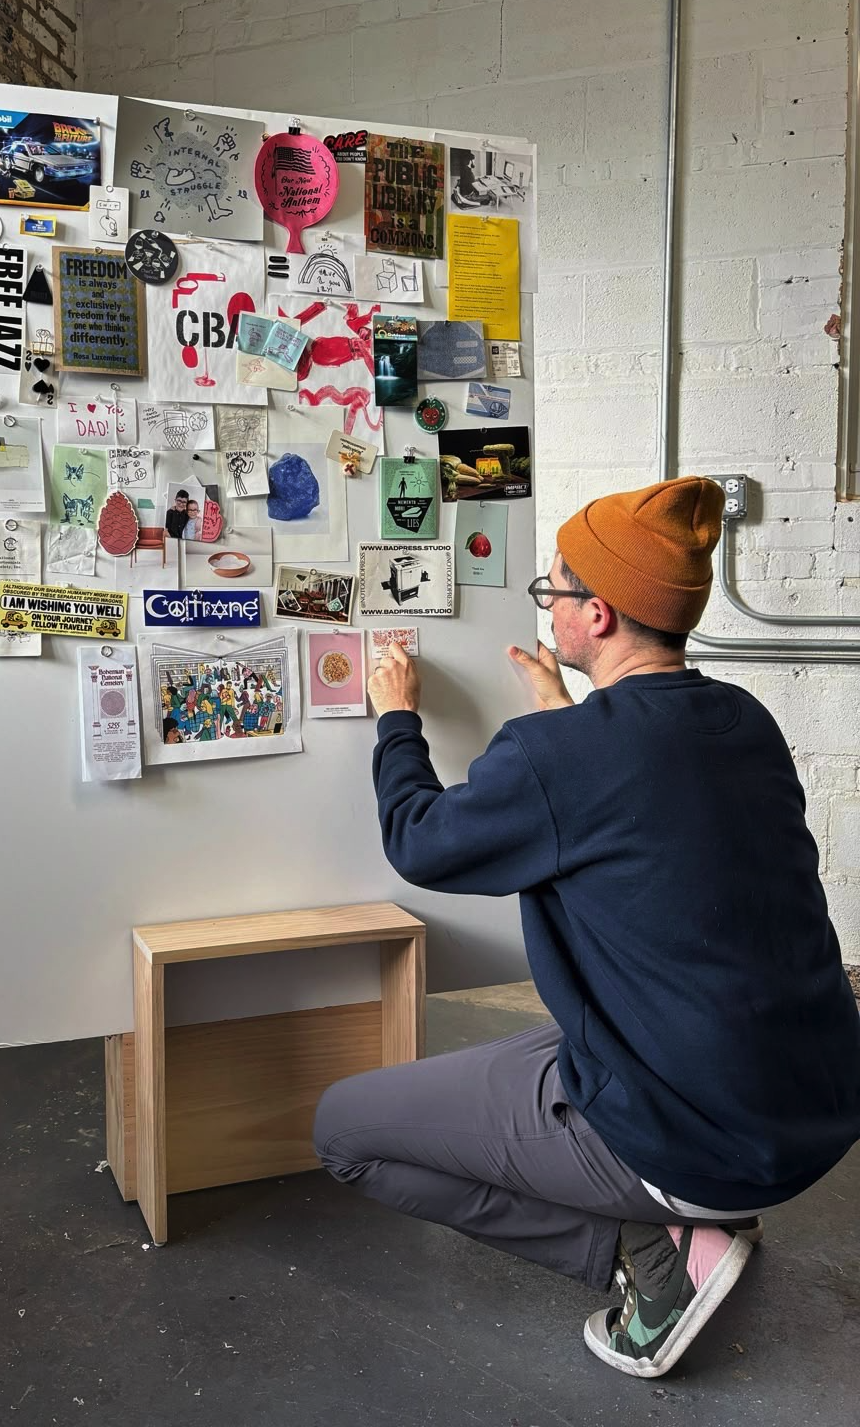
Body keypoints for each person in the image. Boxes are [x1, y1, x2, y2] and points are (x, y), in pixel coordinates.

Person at [314, 476, 860, 1379]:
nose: (547, 603)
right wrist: (568, 724)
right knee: (544, 1046)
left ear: (595, 616)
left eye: (553, 589)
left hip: (697, 1133)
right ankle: (684, 1221)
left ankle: (650, 1255)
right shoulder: (743, 721)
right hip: (814, 1101)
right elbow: (646, 807)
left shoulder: (560, 756)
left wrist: (396, 718)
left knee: (342, 1130)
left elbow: (419, 839)